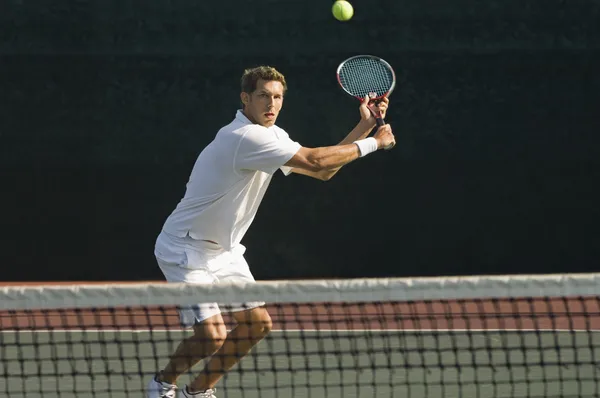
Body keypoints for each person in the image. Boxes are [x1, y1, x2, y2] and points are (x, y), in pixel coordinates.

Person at [146, 65, 395, 398]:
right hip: (186, 250)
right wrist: (374, 144)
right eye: (263, 95)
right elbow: (317, 161)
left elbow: (322, 172)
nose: (271, 104)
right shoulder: (245, 137)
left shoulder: (272, 134)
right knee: (211, 336)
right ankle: (161, 384)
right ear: (245, 98)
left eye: (277, 97)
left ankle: (199, 391)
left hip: (225, 251)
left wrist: (364, 127)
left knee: (257, 325)